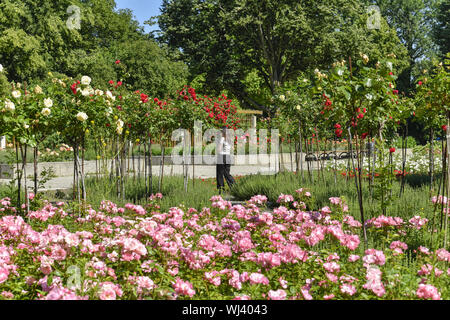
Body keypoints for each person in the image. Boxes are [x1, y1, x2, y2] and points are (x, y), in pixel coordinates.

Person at [216, 126, 236, 193]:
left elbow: (219, 149)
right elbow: (233, 148)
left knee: (220, 174)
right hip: (228, 156)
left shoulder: (222, 138)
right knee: (227, 174)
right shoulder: (230, 139)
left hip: (221, 156)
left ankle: (221, 190)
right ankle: (234, 186)